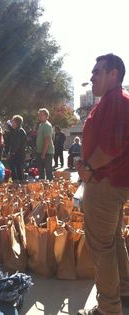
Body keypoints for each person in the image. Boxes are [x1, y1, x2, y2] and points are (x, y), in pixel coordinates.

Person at [76, 54, 129, 315]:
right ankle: (124, 291)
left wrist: (87, 168)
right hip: (112, 180)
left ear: (114, 74)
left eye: (97, 72)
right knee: (113, 240)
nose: (92, 76)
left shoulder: (116, 101)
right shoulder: (112, 101)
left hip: (106, 182)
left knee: (101, 246)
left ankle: (109, 308)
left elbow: (111, 146)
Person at [36, 108, 54, 180]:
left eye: (42, 115)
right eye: (39, 115)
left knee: (48, 170)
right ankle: (42, 187)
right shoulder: (41, 125)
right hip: (40, 151)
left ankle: (51, 188)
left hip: (47, 152)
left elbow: (47, 140)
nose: (40, 116)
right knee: (40, 171)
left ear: (46, 116)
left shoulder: (47, 125)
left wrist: (43, 153)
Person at [8, 115, 27, 181]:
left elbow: (17, 144)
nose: (12, 123)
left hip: (18, 154)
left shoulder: (19, 131)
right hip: (18, 154)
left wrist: (12, 153)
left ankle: (19, 186)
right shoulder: (17, 130)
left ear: (16, 122)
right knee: (18, 170)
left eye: (12, 121)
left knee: (18, 171)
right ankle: (18, 184)